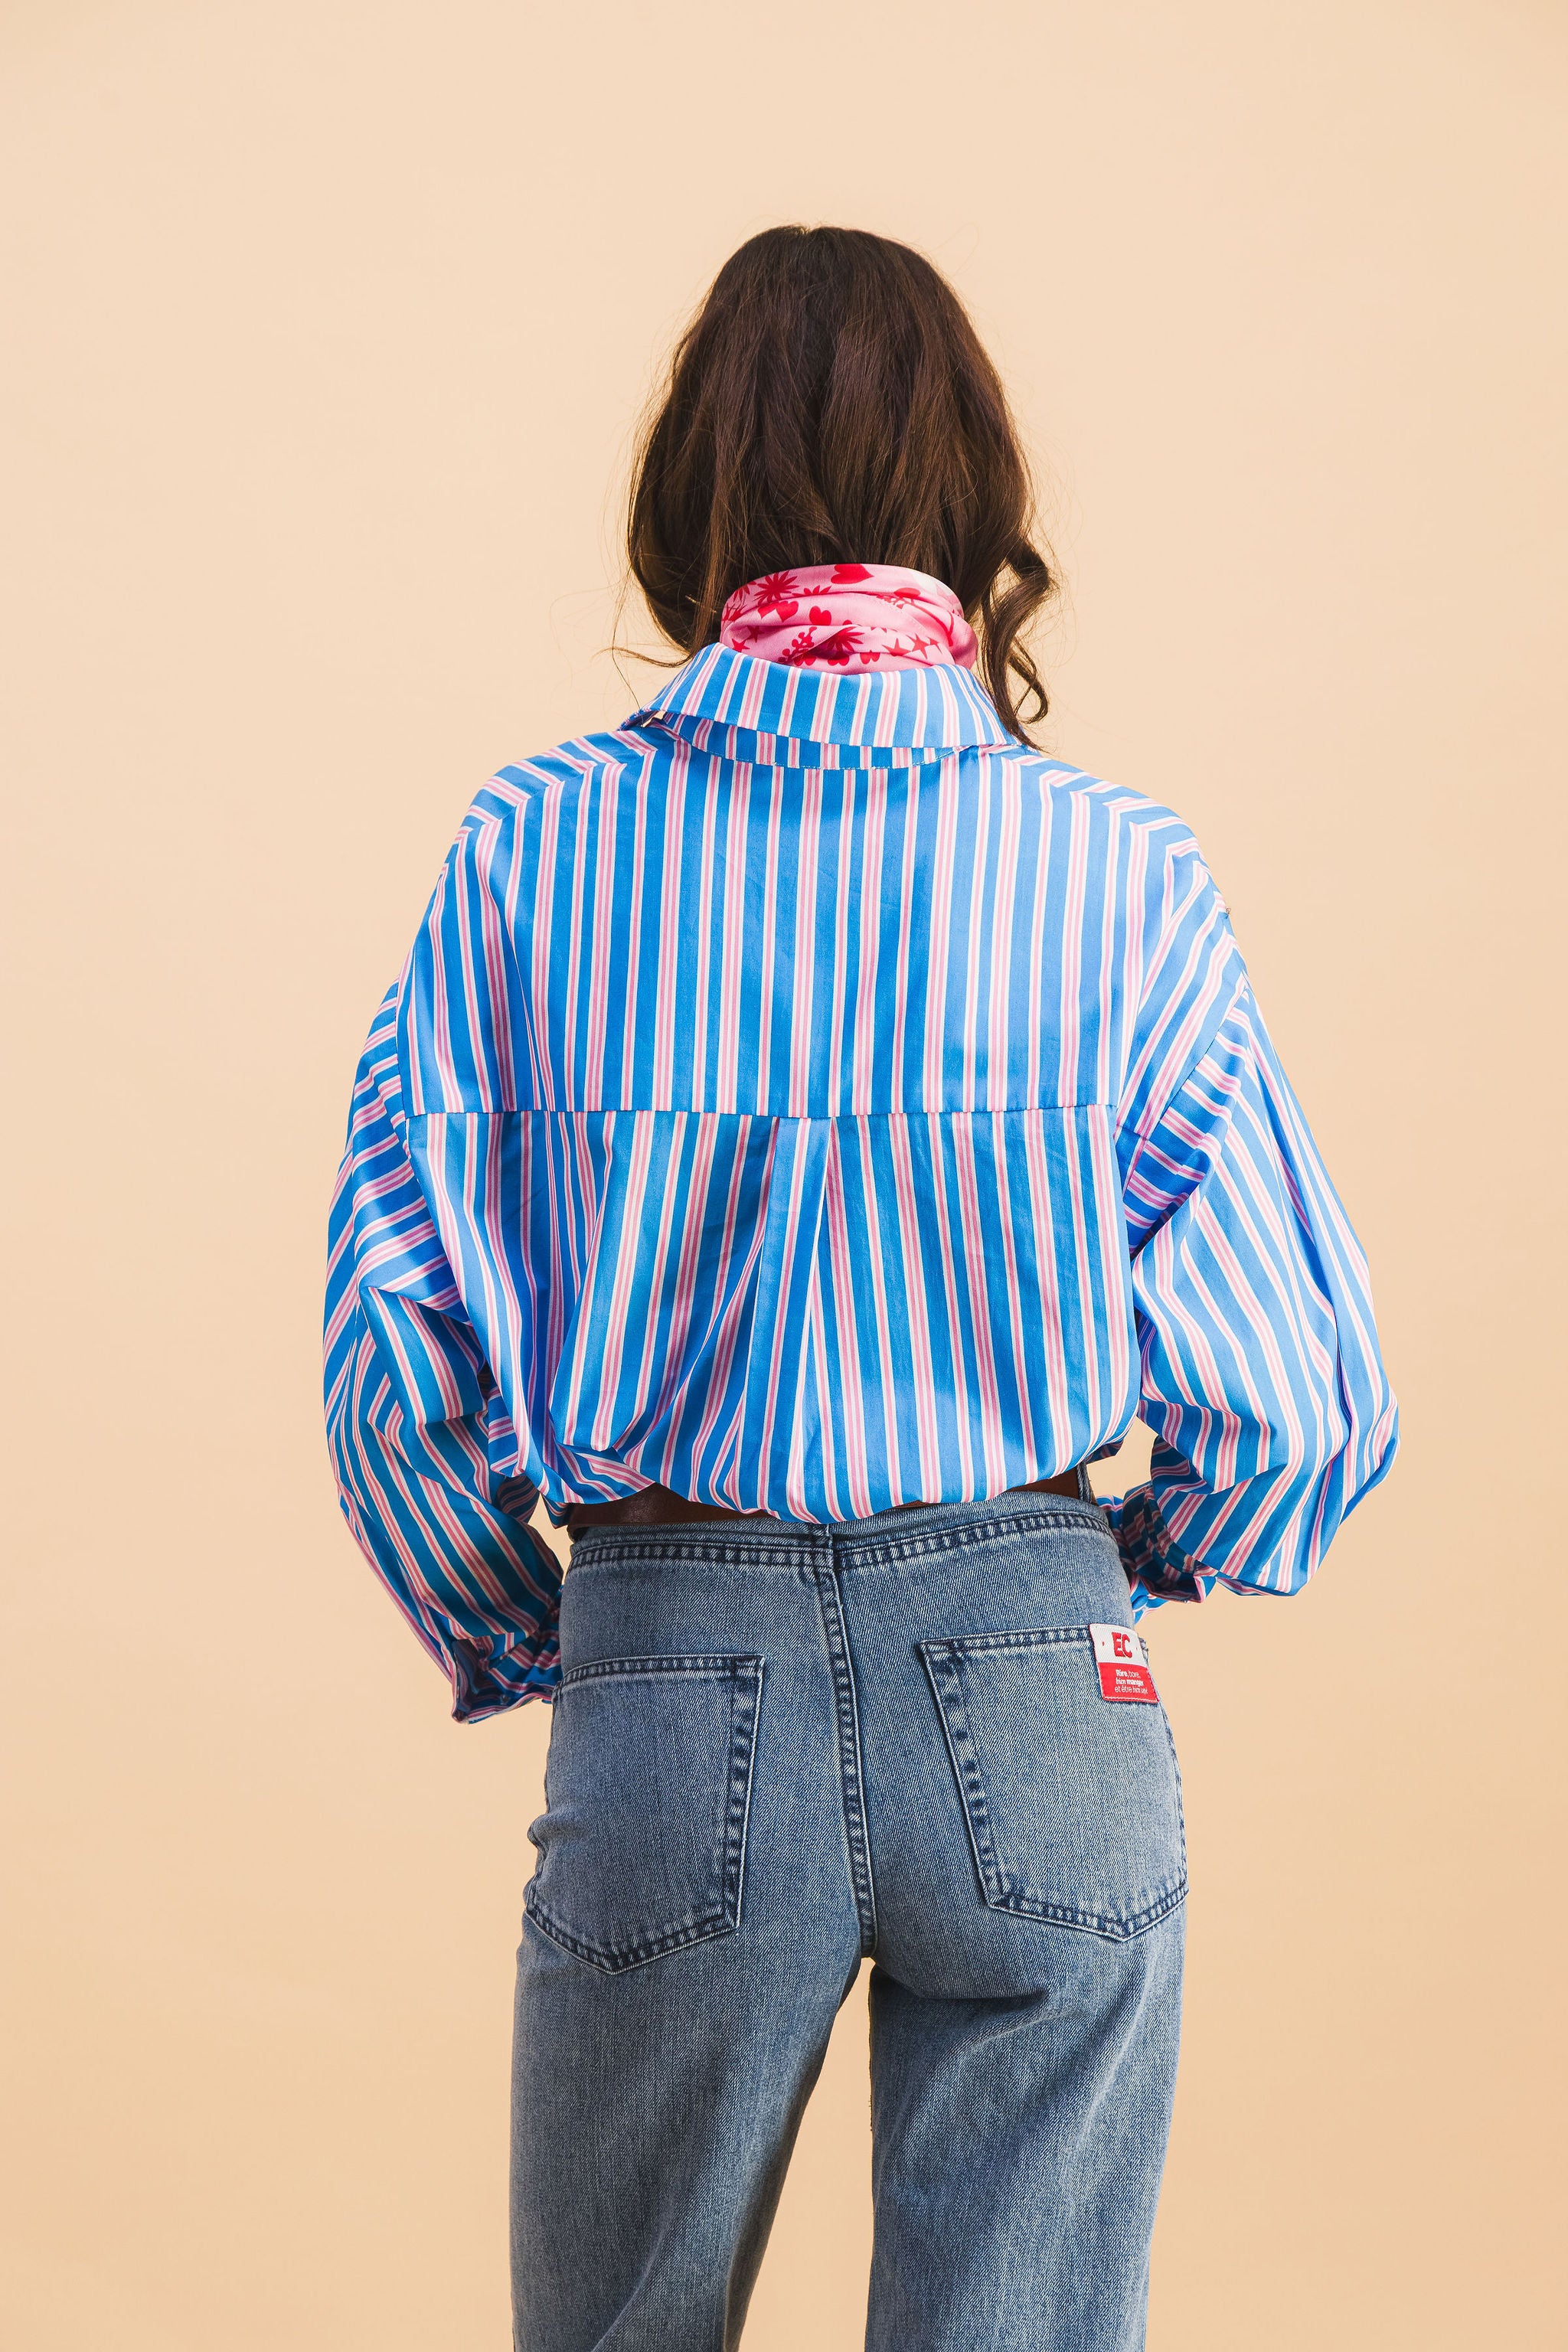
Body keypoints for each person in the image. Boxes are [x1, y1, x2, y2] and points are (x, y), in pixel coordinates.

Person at [323, 224, 1396, 2352]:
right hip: (1035, 1676)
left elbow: (394, 1352)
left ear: (688, 498)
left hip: (666, 1664)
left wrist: (541, 1624)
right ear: (974, 500)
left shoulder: (533, 853)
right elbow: (1301, 1399)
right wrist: (1080, 1571)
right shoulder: (1116, 869)